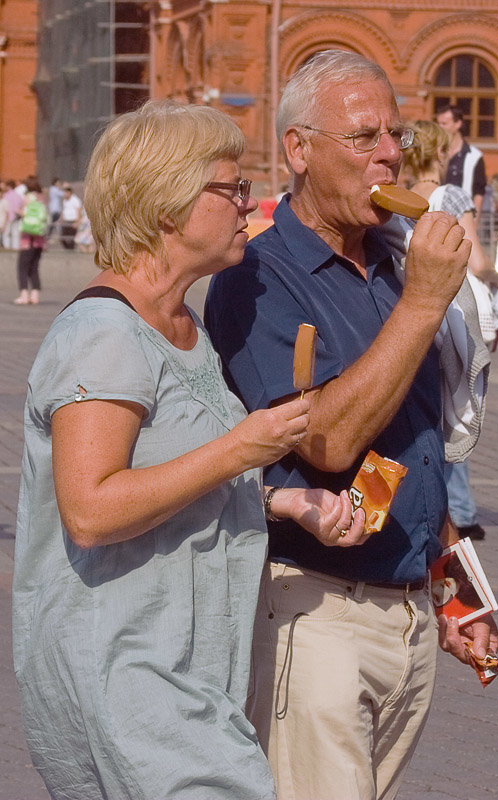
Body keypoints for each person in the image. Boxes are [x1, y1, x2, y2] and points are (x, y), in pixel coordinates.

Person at [12, 100, 366, 800]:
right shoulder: (104, 334)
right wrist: (240, 450)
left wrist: (276, 499)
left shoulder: (179, 323)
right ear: (166, 205)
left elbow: (165, 476)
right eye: (230, 188)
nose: (247, 204)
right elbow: (89, 509)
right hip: (128, 676)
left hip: (183, 673)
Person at [205, 50, 498, 800]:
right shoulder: (256, 279)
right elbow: (328, 440)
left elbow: (411, 446)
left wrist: (453, 586)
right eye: (364, 137)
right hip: (317, 614)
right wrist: (424, 305)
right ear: (298, 151)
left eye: (394, 135)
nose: (391, 155)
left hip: (405, 614)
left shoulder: (394, 265)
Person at [401, 119, 498, 541]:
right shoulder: (452, 195)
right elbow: (477, 260)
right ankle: (458, 510)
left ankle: (434, 506)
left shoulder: (403, 198)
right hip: (454, 312)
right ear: (441, 153)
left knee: (427, 409)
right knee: (458, 408)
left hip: (413, 311)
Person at [436, 104, 487, 226]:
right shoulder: (436, 153)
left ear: (458, 124)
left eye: (444, 124)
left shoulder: (474, 156)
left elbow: (478, 194)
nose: (440, 127)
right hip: (437, 217)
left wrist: (473, 225)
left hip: (462, 219)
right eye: (439, 123)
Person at [13, 175, 48, 305]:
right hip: (40, 240)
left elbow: (24, 213)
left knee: (22, 267)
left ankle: (23, 295)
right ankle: (35, 295)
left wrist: (18, 211)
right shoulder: (41, 198)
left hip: (28, 240)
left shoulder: (28, 198)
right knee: (34, 268)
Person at [59, 183, 82, 248]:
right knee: (63, 237)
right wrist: (61, 219)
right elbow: (64, 210)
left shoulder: (75, 200)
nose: (65, 194)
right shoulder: (64, 201)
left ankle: (71, 251)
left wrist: (77, 222)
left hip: (73, 221)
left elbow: (79, 211)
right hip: (66, 221)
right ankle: (67, 249)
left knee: (71, 238)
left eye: (66, 193)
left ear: (70, 192)